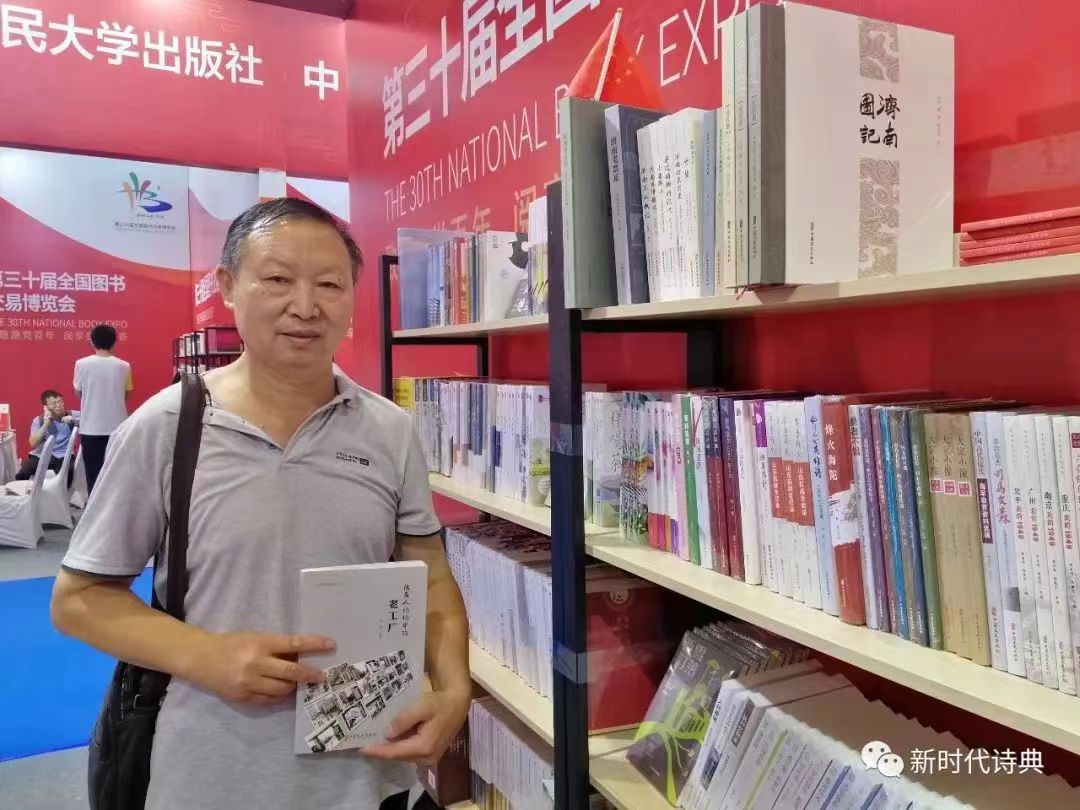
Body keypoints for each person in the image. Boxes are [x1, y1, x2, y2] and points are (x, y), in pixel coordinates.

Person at [51, 198, 470, 810]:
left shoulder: (389, 430)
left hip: (364, 775)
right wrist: (208, 655)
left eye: (330, 284)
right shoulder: (166, 427)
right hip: (208, 772)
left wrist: (454, 690)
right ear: (228, 286)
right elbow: (79, 599)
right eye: (277, 279)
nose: (306, 306)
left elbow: (428, 574)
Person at [73, 324, 132, 495]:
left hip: (90, 428)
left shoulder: (81, 364)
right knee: (116, 474)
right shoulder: (124, 366)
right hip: (118, 427)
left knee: (93, 475)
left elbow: (78, 391)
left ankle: (94, 508)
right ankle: (116, 507)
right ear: (114, 342)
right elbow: (126, 393)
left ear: (92, 341)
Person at [15, 389, 79, 483]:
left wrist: (74, 421)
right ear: (46, 407)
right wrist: (45, 425)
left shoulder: (71, 414)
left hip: (65, 455)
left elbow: (88, 419)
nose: (58, 406)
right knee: (24, 471)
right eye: (53, 404)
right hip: (41, 455)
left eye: (60, 402)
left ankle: (60, 492)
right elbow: (32, 443)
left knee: (70, 471)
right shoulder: (38, 420)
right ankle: (25, 492)